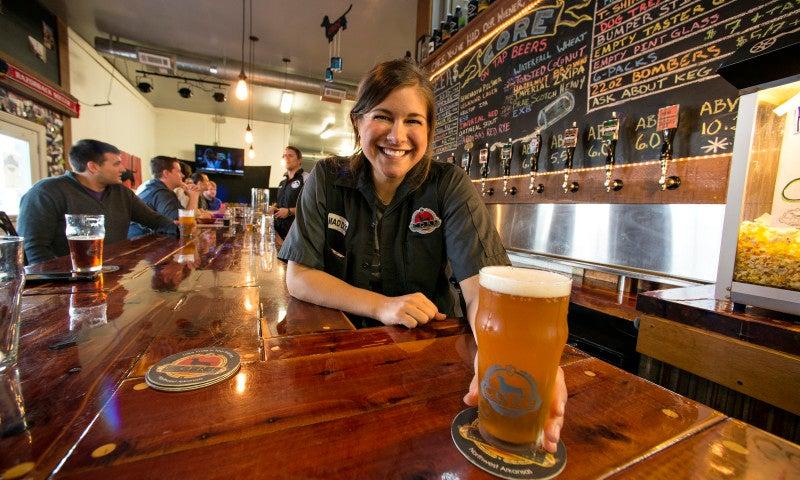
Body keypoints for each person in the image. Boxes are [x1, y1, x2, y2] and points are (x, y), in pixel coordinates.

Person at [277, 59, 567, 453]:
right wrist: (383, 306)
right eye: (383, 116)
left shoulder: (449, 184)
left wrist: (503, 355)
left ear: (429, 131)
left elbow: (482, 288)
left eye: (413, 121)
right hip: (340, 362)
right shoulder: (327, 178)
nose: (398, 135)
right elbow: (299, 276)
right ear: (358, 121)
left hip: (431, 364)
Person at [18, 139, 177, 264]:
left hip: (113, 277)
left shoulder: (121, 192)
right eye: (116, 163)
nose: (123, 169)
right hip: (65, 286)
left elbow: (154, 220)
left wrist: (182, 229)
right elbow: (33, 249)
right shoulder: (46, 192)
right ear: (93, 167)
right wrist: (64, 282)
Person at [128, 156, 202, 237]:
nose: (183, 175)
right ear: (166, 173)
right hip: (140, 244)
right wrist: (194, 197)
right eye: (179, 172)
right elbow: (183, 228)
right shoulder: (162, 193)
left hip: (137, 241)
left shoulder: (152, 187)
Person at [269, 146, 309, 240]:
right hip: (278, 233)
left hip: (296, 236)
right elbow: (279, 202)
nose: (286, 158)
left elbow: (310, 207)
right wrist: (273, 207)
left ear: (299, 160)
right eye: (284, 156)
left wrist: (289, 211)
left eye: (290, 155)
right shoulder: (282, 183)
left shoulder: (306, 179)